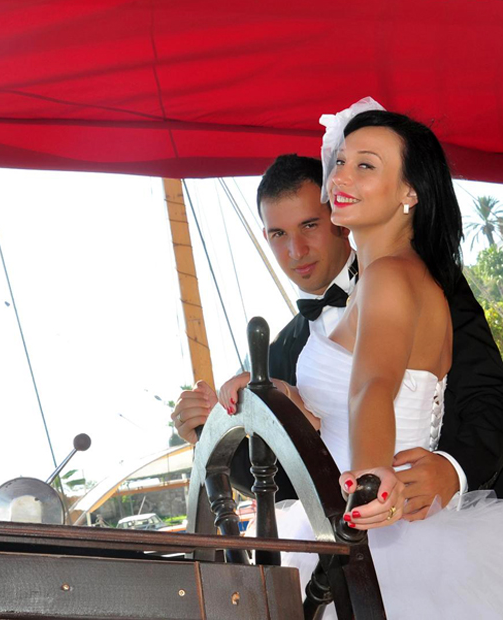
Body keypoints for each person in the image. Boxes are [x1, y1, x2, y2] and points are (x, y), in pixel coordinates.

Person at [221, 102, 503, 618]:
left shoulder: (395, 277)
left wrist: (372, 480)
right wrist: (277, 400)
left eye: (365, 165)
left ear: (409, 191)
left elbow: (373, 387)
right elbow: (334, 410)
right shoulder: (365, 292)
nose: (342, 177)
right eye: (340, 162)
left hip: (386, 531)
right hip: (348, 523)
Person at [173, 153, 503, 513]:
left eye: (309, 225)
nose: (296, 250)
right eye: (279, 234)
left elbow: (488, 391)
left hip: (457, 514)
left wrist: (455, 471)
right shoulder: (277, 354)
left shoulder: (425, 279)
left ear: (339, 217)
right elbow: (281, 479)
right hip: (352, 536)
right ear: (265, 237)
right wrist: (205, 430)